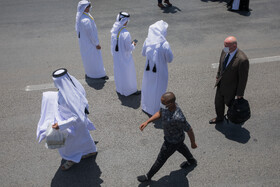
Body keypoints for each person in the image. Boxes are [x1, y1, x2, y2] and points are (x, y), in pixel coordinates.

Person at [37, 68, 97, 170]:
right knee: (83, 138)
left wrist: (60, 125)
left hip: (70, 125)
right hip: (75, 123)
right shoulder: (72, 86)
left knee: (69, 145)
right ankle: (90, 151)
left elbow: (77, 117)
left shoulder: (68, 96)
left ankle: (71, 159)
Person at [137, 92, 197, 182]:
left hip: (172, 142)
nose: (161, 104)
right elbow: (160, 113)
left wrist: (193, 143)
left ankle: (148, 176)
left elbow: (189, 130)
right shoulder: (166, 106)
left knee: (161, 159)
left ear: (171, 103)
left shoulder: (178, 118)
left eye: (163, 102)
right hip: (176, 138)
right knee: (181, 147)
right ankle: (191, 160)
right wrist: (147, 121)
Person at [209, 36, 249, 124]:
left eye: (227, 46)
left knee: (231, 105)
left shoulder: (242, 59)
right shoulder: (225, 51)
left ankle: (235, 118)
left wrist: (240, 94)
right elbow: (221, 65)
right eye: (224, 45)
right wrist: (218, 75)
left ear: (234, 46)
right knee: (218, 103)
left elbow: (243, 79)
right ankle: (219, 118)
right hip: (221, 84)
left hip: (231, 88)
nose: (224, 48)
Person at [141, 20, 173, 116]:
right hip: (160, 71)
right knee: (158, 89)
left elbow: (143, 53)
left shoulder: (147, 40)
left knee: (147, 88)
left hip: (148, 71)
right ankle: (156, 110)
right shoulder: (164, 44)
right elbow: (170, 59)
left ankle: (146, 106)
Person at [75, 1, 108, 79]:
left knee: (88, 59)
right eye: (88, 6)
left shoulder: (81, 15)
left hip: (84, 43)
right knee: (95, 59)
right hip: (91, 43)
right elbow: (91, 34)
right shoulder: (85, 20)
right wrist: (97, 44)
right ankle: (99, 75)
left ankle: (90, 73)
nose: (90, 7)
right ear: (84, 8)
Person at [110, 12, 140, 96]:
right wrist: (133, 44)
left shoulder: (114, 31)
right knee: (128, 73)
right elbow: (129, 48)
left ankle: (120, 89)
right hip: (125, 58)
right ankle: (129, 91)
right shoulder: (126, 33)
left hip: (117, 57)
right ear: (125, 21)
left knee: (119, 73)